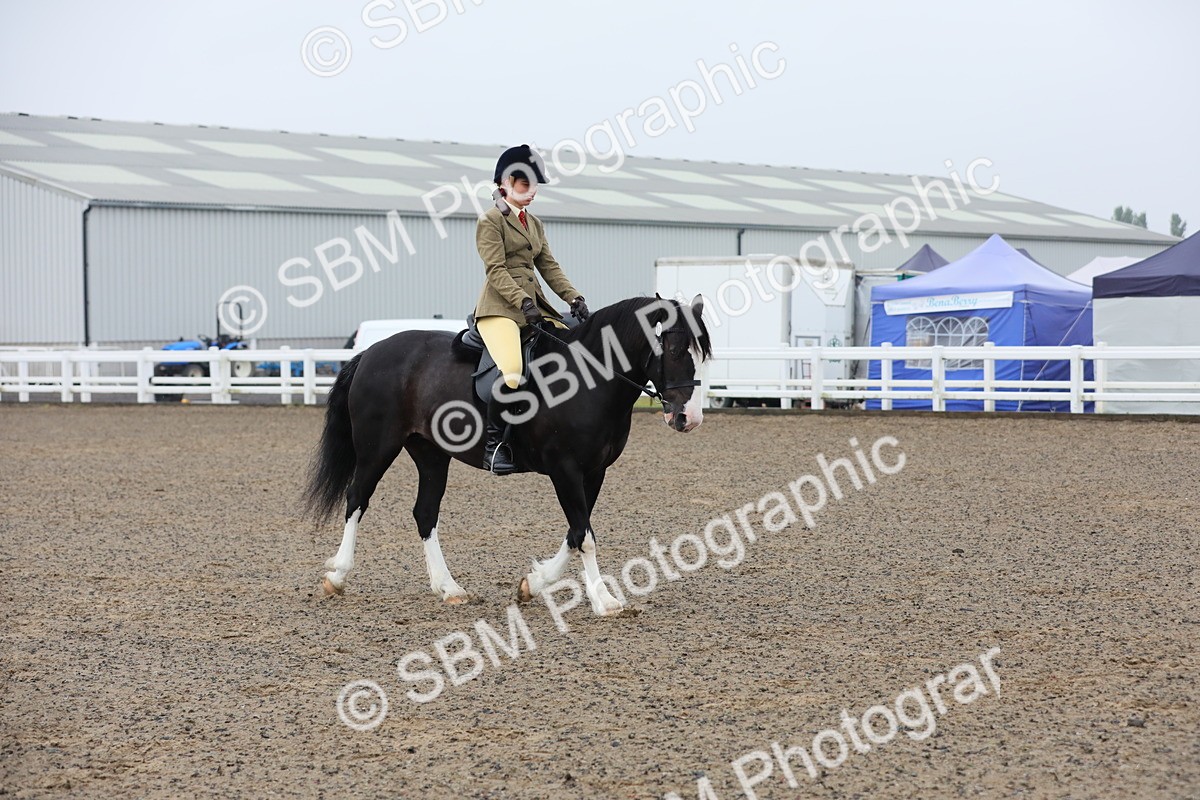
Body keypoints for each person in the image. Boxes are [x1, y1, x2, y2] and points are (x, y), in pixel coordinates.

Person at [474, 144, 590, 474]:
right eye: (526, 184)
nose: (533, 192)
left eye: (535, 186)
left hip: (535, 307)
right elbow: (495, 270)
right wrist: (522, 301)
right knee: (511, 370)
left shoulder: (534, 224)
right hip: (500, 308)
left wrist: (573, 297)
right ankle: (493, 447)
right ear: (506, 182)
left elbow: (549, 266)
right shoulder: (490, 221)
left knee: (575, 349)